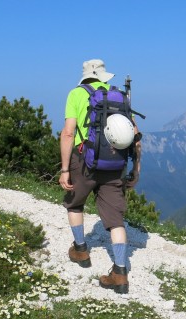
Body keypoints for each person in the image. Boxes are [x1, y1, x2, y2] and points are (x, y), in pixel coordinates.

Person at [59, 59, 141, 294]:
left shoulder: (76, 94)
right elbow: (135, 136)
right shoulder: (119, 97)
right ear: (103, 76)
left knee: (75, 203)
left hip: (84, 160)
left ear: (85, 75)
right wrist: (136, 169)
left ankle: (81, 250)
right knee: (115, 219)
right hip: (114, 163)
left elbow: (68, 133)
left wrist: (65, 169)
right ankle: (120, 272)